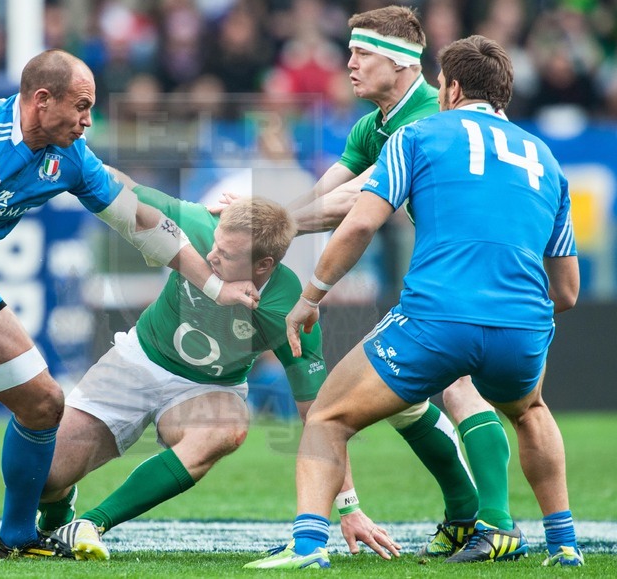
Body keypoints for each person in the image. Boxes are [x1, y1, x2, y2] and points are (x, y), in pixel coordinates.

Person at [0, 49, 259, 563]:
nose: (89, 120)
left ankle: (17, 538)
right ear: (42, 101)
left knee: (44, 402)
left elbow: (138, 222)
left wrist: (216, 286)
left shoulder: (71, 158)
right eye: (82, 107)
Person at [246, 35, 583, 569]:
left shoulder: (418, 134)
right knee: (530, 411)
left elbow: (359, 221)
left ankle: (309, 545)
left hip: (434, 320)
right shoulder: (546, 160)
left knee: (328, 416)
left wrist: (311, 296)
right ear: (505, 94)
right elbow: (566, 292)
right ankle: (564, 546)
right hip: (522, 326)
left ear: (448, 88)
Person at [37, 176, 401, 561]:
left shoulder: (287, 308)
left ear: (264, 265)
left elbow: (321, 415)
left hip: (208, 390)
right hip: (138, 360)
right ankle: (60, 507)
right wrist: (67, 157)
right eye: (216, 244)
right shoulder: (195, 224)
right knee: (46, 480)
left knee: (227, 428)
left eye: (226, 256)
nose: (211, 256)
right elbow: (120, 187)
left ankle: (92, 523)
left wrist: (349, 506)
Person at [286, 6, 498, 557]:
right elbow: (320, 194)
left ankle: (490, 523)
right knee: (410, 396)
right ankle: (478, 516)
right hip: (449, 267)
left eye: (362, 54)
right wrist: (264, 221)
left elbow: (354, 204)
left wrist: (268, 227)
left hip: (464, 268)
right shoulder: (373, 123)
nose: (348, 64)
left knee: (452, 386)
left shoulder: (425, 116)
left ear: (403, 65)